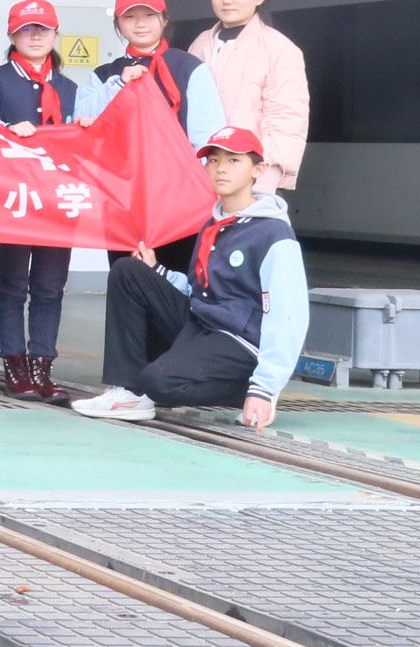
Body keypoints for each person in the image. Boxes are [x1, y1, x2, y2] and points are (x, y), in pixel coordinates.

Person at [73, 126, 307, 427]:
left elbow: (288, 316)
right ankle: (129, 392)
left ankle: (249, 390)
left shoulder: (274, 235)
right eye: (213, 160)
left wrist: (265, 386)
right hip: (200, 325)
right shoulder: (212, 225)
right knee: (128, 272)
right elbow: (198, 290)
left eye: (233, 160)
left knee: (158, 381)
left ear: (257, 170)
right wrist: (157, 271)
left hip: (238, 342)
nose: (221, 168)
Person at [0, 0, 77, 402]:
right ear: (12, 35)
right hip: (14, 197)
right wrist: (7, 129)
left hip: (57, 201)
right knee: (11, 282)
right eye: (26, 30)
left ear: (55, 35)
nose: (35, 37)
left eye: (43, 30)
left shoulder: (71, 88)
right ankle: (14, 364)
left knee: (50, 286)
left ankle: (42, 367)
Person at [191, 0, 309, 198]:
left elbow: (287, 119)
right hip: (202, 175)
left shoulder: (279, 48)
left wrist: (263, 181)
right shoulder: (201, 43)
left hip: (251, 179)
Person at [82, 0, 224, 148]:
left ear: (164, 20)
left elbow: (208, 136)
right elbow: (82, 118)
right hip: (116, 162)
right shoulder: (103, 74)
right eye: (129, 17)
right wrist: (118, 85)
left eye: (149, 15)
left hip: (175, 163)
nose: (140, 23)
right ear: (118, 23)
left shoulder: (189, 67)